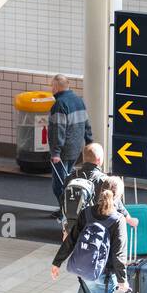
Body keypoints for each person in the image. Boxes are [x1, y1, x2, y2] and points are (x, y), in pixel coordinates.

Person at [51, 177, 130, 293]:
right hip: (105, 274)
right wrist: (123, 280)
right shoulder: (117, 220)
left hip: (85, 272)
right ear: (119, 196)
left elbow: (71, 239)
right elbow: (118, 254)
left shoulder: (87, 213)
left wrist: (57, 262)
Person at [48, 74, 92, 212]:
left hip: (63, 152)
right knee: (67, 180)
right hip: (76, 148)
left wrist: (55, 152)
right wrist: (89, 141)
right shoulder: (79, 101)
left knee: (59, 185)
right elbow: (86, 124)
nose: (51, 89)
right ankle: (67, 210)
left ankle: (67, 212)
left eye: (52, 86)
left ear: (55, 87)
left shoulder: (60, 104)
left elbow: (58, 130)